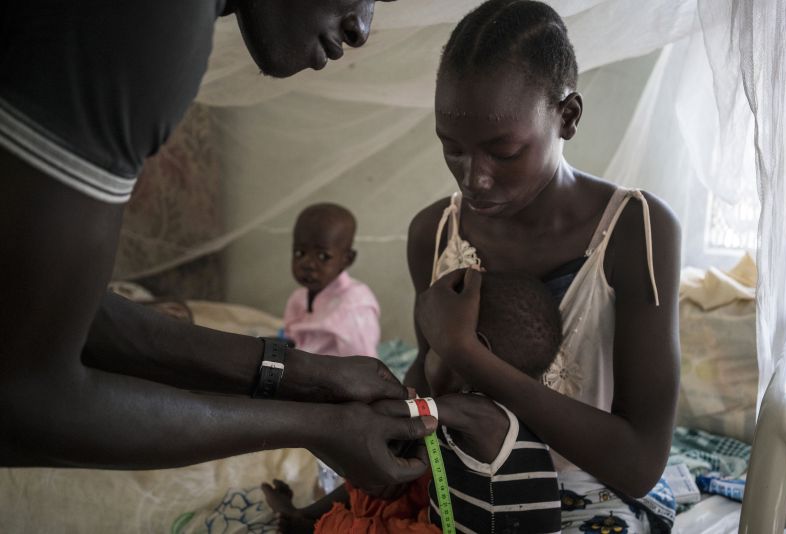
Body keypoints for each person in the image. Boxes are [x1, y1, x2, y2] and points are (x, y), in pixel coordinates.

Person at [0, 0, 436, 490]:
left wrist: (304, 375)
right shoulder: (147, 23)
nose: (363, 28)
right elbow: (26, 398)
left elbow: (41, 308)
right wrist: (319, 425)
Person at [405, 1, 681, 532]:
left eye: (503, 152)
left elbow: (639, 463)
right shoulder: (434, 234)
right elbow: (429, 384)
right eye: (451, 149)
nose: (474, 178)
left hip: (591, 490)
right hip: (464, 478)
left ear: (568, 117)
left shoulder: (634, 232)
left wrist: (467, 352)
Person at [262, 271, 563, 534]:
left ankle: (310, 524)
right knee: (385, 479)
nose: (425, 358)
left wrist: (323, 401)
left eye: (432, 347)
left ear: (472, 353)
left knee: (347, 521)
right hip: (448, 518)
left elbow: (394, 413)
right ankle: (305, 517)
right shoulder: (500, 410)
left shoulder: (482, 414)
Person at [284, 203, 381, 359]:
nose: (307, 264)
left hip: (334, 379)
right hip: (301, 368)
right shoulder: (299, 297)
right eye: (300, 252)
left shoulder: (354, 306)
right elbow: (292, 338)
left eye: (323, 256)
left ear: (347, 259)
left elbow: (364, 365)